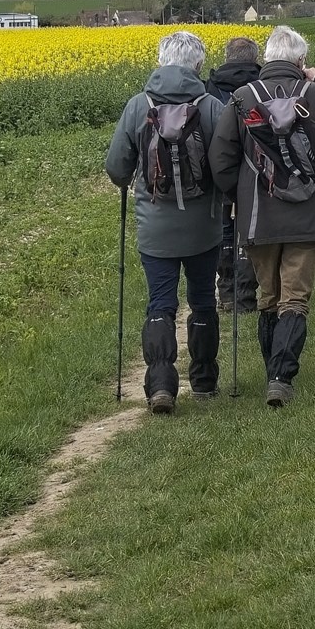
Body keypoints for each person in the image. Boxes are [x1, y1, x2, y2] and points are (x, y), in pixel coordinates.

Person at [208, 25, 315, 407]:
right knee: (295, 297)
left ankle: (272, 371)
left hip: (260, 215)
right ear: (299, 60)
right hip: (310, 214)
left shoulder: (243, 98)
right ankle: (281, 376)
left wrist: (240, 195)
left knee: (268, 296)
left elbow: (221, 157)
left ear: (269, 57)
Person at [104, 30, 230, 413]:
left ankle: (160, 386)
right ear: (197, 64)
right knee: (203, 300)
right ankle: (205, 381)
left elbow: (116, 168)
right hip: (204, 229)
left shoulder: (137, 106)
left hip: (154, 229)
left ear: (160, 61)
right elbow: (225, 169)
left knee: (161, 303)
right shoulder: (210, 106)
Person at [203, 34, 263, 312]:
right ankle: (246, 296)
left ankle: (226, 293)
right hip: (257, 171)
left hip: (221, 169)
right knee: (250, 232)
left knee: (225, 231)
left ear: (227, 56)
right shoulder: (263, 85)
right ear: (255, 57)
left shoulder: (210, 87)